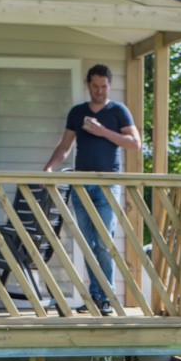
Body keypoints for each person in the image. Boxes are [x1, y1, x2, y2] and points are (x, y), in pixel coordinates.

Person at [43, 64, 141, 315]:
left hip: (108, 185)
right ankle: (96, 297)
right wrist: (49, 168)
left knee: (104, 241)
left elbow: (135, 143)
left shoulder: (118, 111)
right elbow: (65, 146)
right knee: (88, 243)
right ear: (88, 85)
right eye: (95, 86)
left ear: (109, 86)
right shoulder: (78, 113)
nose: (99, 91)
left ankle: (106, 297)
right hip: (81, 185)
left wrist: (103, 131)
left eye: (104, 87)